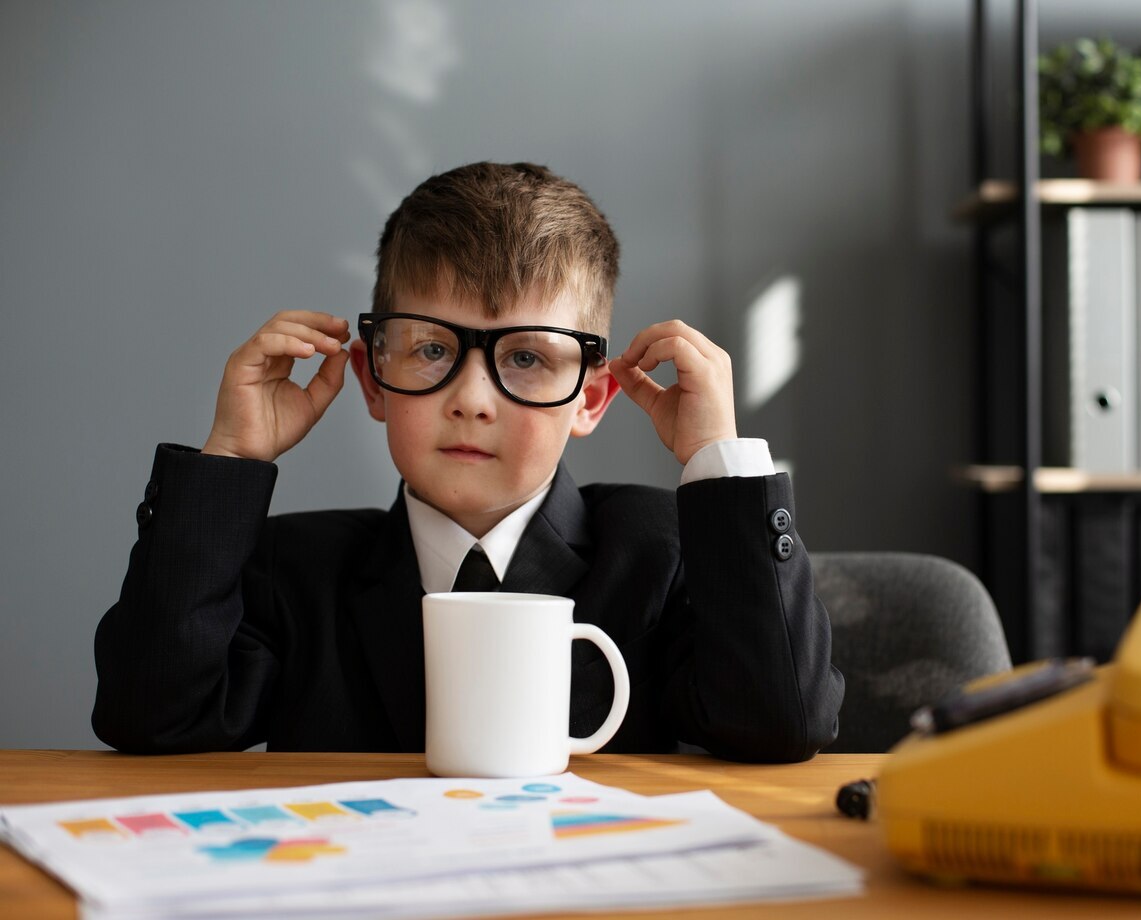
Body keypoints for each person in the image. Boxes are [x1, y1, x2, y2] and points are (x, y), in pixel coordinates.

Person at [92, 162, 843, 760]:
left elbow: (778, 724)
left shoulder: (665, 554)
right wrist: (231, 457)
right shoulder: (291, 571)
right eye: (430, 350)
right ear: (373, 378)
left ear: (590, 398)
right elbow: (151, 718)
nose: (473, 400)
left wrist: (718, 458)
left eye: (525, 356)